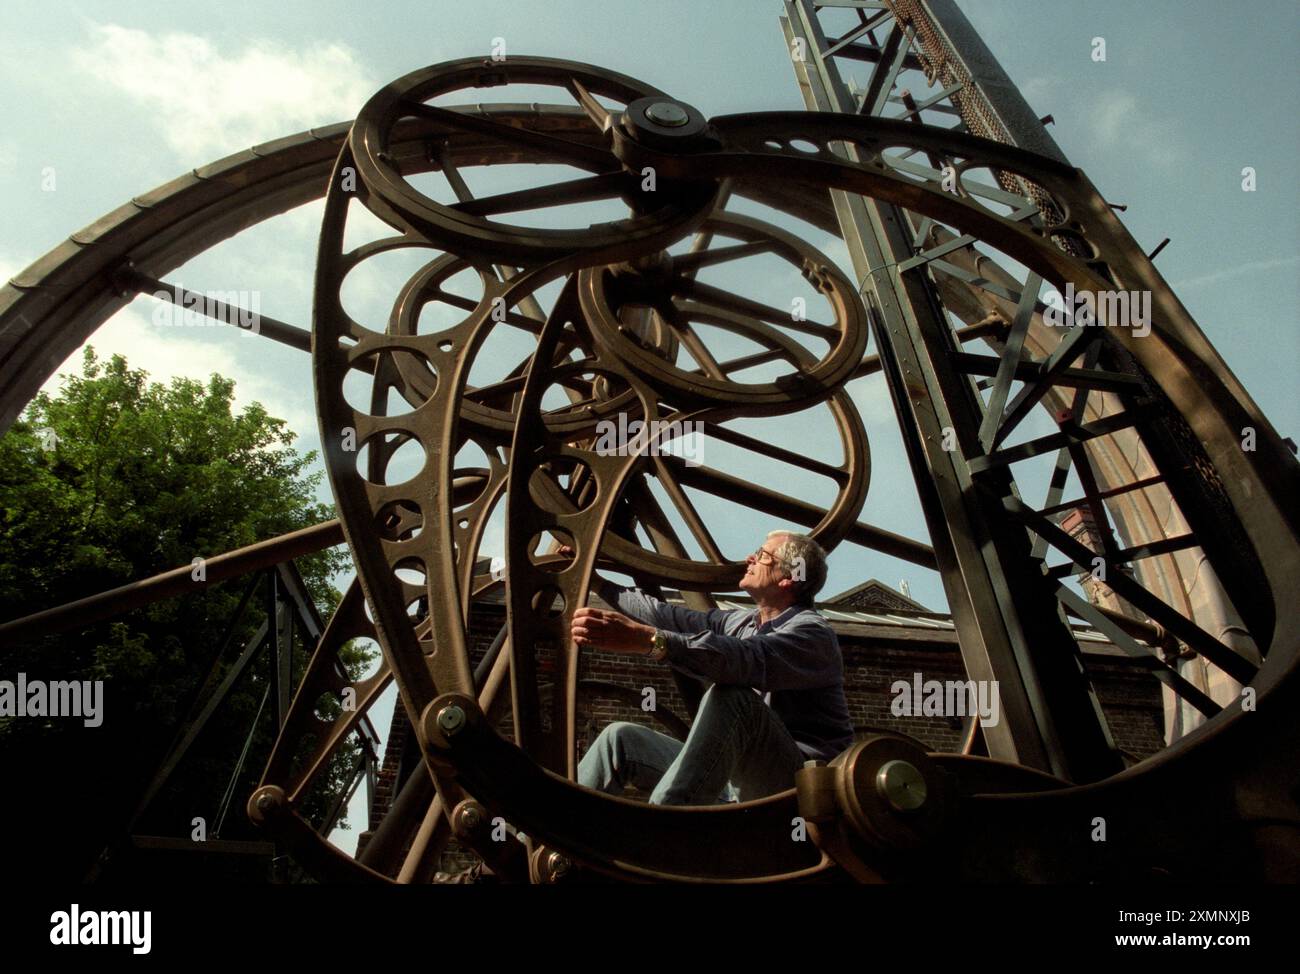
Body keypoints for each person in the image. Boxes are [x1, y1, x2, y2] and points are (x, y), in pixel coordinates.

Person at [570, 530, 854, 806]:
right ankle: (544, 838)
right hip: (735, 784)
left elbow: (742, 659)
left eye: (762, 555)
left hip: (796, 790)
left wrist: (650, 641)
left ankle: (664, 829)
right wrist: (596, 582)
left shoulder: (812, 634)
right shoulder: (741, 623)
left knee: (735, 699)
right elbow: (665, 617)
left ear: (789, 577)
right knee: (620, 739)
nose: (749, 559)